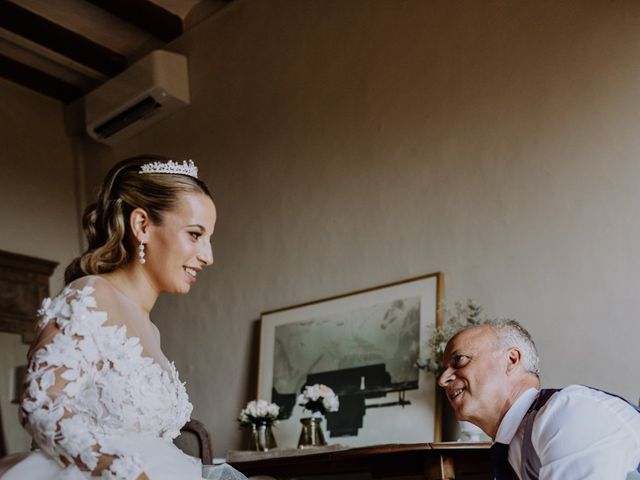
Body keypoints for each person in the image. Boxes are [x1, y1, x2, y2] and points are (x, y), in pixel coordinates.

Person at [0, 156, 246, 480]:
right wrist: (125, 473)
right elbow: (43, 406)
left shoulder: (151, 330)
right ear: (142, 225)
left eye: (209, 239)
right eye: (195, 234)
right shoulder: (89, 296)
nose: (208, 256)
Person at [438, 319, 640, 479]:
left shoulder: (569, 412)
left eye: (459, 360)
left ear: (511, 360)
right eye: (444, 370)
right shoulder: (512, 448)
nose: (443, 380)